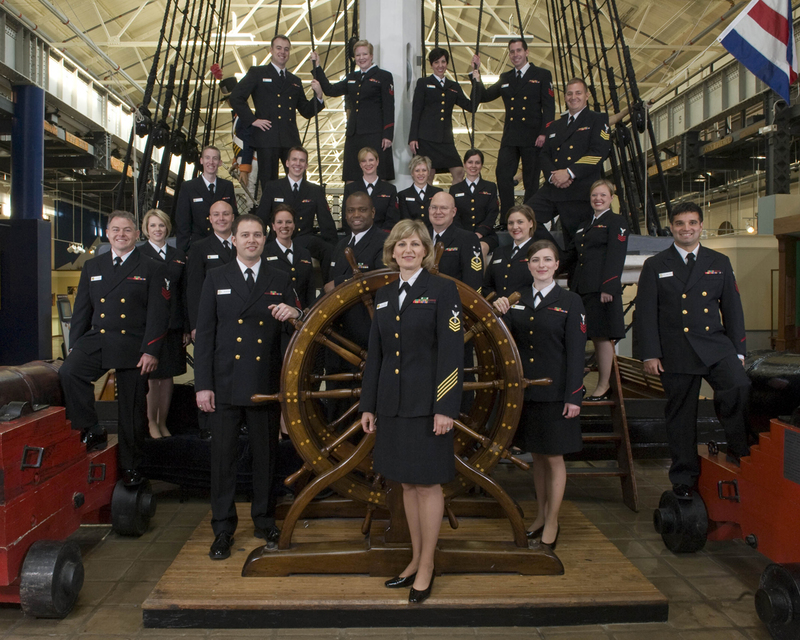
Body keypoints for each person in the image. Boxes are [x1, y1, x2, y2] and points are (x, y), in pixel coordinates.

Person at [360, 219, 464, 604]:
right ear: (393, 250)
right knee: (405, 483)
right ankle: (415, 559)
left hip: (428, 406)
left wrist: (445, 407)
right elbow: (377, 355)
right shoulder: (385, 294)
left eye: (415, 245)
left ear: (426, 251)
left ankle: (427, 565)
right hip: (392, 405)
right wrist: (368, 404)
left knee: (427, 484)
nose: (408, 250)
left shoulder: (443, 290)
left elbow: (453, 353)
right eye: (401, 244)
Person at [194, 213, 304, 560]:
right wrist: (203, 386)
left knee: (264, 459)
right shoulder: (216, 278)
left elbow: (298, 329)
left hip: (264, 384)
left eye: (257, 235)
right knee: (223, 462)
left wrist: (295, 314)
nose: (252, 240)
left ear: (264, 238)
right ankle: (223, 528)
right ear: (235, 240)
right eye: (245, 235)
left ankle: (263, 520)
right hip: (225, 384)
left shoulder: (280, 278)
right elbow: (205, 336)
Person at [636, 202, 750, 500]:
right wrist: (650, 354)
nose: (686, 228)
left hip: (715, 345)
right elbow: (646, 314)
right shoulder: (656, 264)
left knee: (738, 386)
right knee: (681, 415)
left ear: (701, 226)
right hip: (676, 350)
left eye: (692, 222)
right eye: (679, 223)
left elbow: (732, 309)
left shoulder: (719, 261)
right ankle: (684, 477)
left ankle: (740, 453)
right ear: (671, 227)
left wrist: (739, 351)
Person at [59, 211, 169, 487]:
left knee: (131, 414)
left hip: (134, 344)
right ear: (107, 234)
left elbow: (158, 314)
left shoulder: (151, 267)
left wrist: (151, 351)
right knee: (70, 372)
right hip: (99, 338)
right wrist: (76, 347)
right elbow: (82, 309)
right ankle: (91, 427)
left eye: (127, 230)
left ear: (136, 235)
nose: (121, 234)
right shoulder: (93, 266)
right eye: (116, 230)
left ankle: (133, 468)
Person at [493, 240, 587, 549]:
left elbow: (576, 353)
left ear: (557, 265)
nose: (542, 265)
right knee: (537, 457)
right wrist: (499, 310)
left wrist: (574, 396)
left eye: (548, 260)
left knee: (554, 458)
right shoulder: (517, 298)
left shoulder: (570, 301)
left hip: (558, 392)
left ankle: (553, 520)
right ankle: (540, 515)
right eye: (536, 260)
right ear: (529, 265)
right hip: (527, 390)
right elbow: (506, 339)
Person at [228, 34, 325, 194]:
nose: (283, 52)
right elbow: (236, 97)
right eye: (279, 48)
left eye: (286, 49)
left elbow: (306, 111)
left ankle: (296, 215)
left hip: (290, 139)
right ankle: (268, 218)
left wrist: (319, 97)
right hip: (266, 138)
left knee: (299, 182)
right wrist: (252, 120)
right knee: (268, 184)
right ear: (271, 50)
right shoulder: (257, 73)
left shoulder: (295, 81)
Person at [471, 38, 555, 216]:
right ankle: (507, 216)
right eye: (512, 52)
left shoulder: (541, 75)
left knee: (531, 178)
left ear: (526, 52)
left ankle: (529, 215)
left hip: (533, 136)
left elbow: (549, 108)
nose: (515, 55)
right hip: (511, 136)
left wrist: (544, 133)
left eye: (518, 51)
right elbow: (484, 96)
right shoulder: (506, 78)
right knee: (503, 173)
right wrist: (476, 74)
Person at [527, 78, 611, 251]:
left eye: (578, 93)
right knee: (525, 216)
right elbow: (544, 154)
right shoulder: (555, 125)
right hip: (554, 188)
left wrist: (570, 172)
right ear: (565, 97)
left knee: (576, 243)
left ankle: (567, 264)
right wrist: (553, 175)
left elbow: (598, 153)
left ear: (586, 95)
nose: (574, 97)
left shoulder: (597, 119)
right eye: (570, 93)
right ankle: (555, 254)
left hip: (579, 190)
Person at [564, 180, 628, 400]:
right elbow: (571, 256)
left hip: (602, 290)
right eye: (594, 196)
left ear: (611, 198)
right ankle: (575, 384)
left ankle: (603, 386)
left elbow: (616, 255)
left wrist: (608, 286)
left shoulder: (616, 222)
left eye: (602, 195)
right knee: (578, 336)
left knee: (602, 337)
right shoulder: (583, 225)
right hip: (581, 288)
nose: (598, 199)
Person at [324, 192, 387, 419]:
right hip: (338, 335)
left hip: (365, 335)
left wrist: (339, 283)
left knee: (364, 400)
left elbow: (383, 278)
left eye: (362, 210)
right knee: (337, 399)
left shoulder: (383, 242)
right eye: (351, 210)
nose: (355, 215)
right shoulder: (341, 244)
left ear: (372, 212)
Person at [310, 41, 395, 182]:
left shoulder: (383, 76)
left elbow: (389, 106)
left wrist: (388, 135)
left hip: (375, 133)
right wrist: (317, 67)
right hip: (354, 133)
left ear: (371, 55)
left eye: (365, 54)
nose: (361, 58)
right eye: (358, 55)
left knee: (378, 175)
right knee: (352, 176)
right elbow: (331, 90)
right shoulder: (351, 77)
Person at [139, 209, 190, 439]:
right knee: (152, 375)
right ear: (146, 229)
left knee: (167, 375)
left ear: (167, 228)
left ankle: (163, 421)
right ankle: (151, 422)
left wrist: (187, 326)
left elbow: (184, 293)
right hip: (149, 325)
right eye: (153, 226)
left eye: (161, 226)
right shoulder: (139, 254)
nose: (157, 230)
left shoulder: (178, 255)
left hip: (174, 324)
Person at [257, 146, 337, 282]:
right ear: (287, 163)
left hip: (305, 240)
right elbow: (261, 218)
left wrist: (335, 246)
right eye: (294, 159)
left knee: (329, 249)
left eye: (302, 160)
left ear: (306, 165)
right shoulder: (273, 187)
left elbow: (326, 222)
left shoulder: (314, 190)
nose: (297, 164)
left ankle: (328, 291)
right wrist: (259, 240)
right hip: (277, 239)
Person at [408, 48, 474, 185]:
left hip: (445, 139)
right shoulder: (423, 83)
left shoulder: (453, 86)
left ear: (447, 63)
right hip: (426, 137)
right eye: (436, 62)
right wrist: (413, 137)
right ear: (431, 64)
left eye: (443, 62)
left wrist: (475, 80)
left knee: (459, 171)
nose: (440, 65)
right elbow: (416, 110)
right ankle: (428, 204)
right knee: (428, 174)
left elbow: (471, 107)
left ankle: (452, 203)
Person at [186, 201, 236, 340]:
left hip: (240, 315)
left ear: (232, 217)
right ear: (210, 218)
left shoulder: (244, 244)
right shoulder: (199, 248)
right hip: (212, 317)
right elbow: (194, 289)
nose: (221, 218)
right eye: (216, 214)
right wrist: (195, 325)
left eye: (225, 214)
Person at [175, 145, 238, 252]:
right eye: (207, 158)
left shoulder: (227, 186)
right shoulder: (188, 187)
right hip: (197, 245)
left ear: (220, 162)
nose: (211, 162)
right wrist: (184, 249)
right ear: (201, 161)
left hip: (223, 243)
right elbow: (182, 221)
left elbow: (234, 215)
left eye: (215, 158)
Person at [449, 148, 499, 262]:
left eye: (477, 162)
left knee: (480, 249)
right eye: (470, 162)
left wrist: (480, 233)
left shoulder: (490, 187)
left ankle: (480, 280)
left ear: (481, 165)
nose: (473, 166)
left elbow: (493, 212)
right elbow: (453, 215)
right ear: (465, 164)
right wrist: (464, 235)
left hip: (485, 236)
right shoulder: (455, 189)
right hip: (460, 235)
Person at [428, 191, 483, 293]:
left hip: (452, 301)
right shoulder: (420, 237)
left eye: (444, 208)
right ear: (429, 210)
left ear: (453, 212)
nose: (438, 212)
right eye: (434, 207)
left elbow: (473, 282)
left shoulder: (467, 239)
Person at [483, 204, 541, 299]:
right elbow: (487, 286)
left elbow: (542, 287)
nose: (515, 227)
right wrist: (497, 302)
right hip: (497, 310)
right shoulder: (499, 252)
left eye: (520, 222)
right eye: (510, 223)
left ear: (531, 223)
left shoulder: (539, 252)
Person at [263, 204, 315, 309]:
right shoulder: (264, 253)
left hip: (301, 314)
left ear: (294, 225)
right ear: (273, 226)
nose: (284, 226)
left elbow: (310, 288)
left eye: (288, 222)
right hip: (276, 313)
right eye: (279, 222)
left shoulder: (304, 253)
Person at [342, 147, 399, 232]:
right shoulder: (351, 189)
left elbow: (392, 219)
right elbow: (346, 217)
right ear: (360, 164)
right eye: (364, 161)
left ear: (377, 161)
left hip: (382, 239)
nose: (368, 164)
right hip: (357, 237)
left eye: (371, 160)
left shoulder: (390, 189)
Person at [397, 156, 442, 225]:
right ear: (412, 173)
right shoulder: (403, 195)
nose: (421, 173)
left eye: (424, 170)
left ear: (429, 172)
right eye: (417, 170)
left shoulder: (438, 192)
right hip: (412, 233)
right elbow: (405, 219)